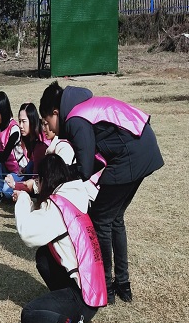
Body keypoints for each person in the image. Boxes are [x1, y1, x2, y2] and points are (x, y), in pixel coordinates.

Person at [39, 81, 163, 304]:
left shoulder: (76, 118)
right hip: (144, 148)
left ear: (56, 113)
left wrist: (58, 175)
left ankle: (106, 286)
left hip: (131, 155)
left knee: (100, 219)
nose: (50, 129)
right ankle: (123, 285)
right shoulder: (83, 107)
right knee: (115, 219)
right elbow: (93, 161)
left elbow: (85, 169)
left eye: (48, 122)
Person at [13, 155, 107, 323]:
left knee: (29, 315)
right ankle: (67, 308)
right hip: (92, 289)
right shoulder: (75, 194)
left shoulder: (58, 208)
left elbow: (28, 233)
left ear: (47, 179)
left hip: (83, 297)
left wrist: (25, 198)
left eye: (39, 179)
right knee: (44, 257)